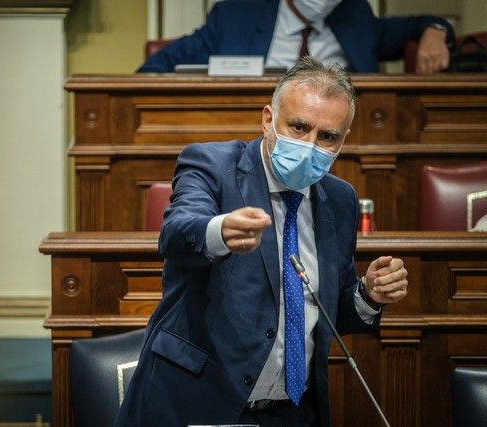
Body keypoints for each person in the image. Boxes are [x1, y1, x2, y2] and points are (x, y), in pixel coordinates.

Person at [115, 57, 409, 427]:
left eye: (327, 137)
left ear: (343, 140)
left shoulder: (340, 199)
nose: (310, 144)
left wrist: (369, 294)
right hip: (195, 403)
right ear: (268, 119)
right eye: (299, 127)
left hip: (291, 413)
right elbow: (176, 232)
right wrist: (219, 231)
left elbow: (325, 308)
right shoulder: (212, 165)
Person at [138, 0, 454, 74]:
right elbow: (159, 67)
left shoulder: (355, 17)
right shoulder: (236, 16)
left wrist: (435, 30)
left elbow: (422, 23)